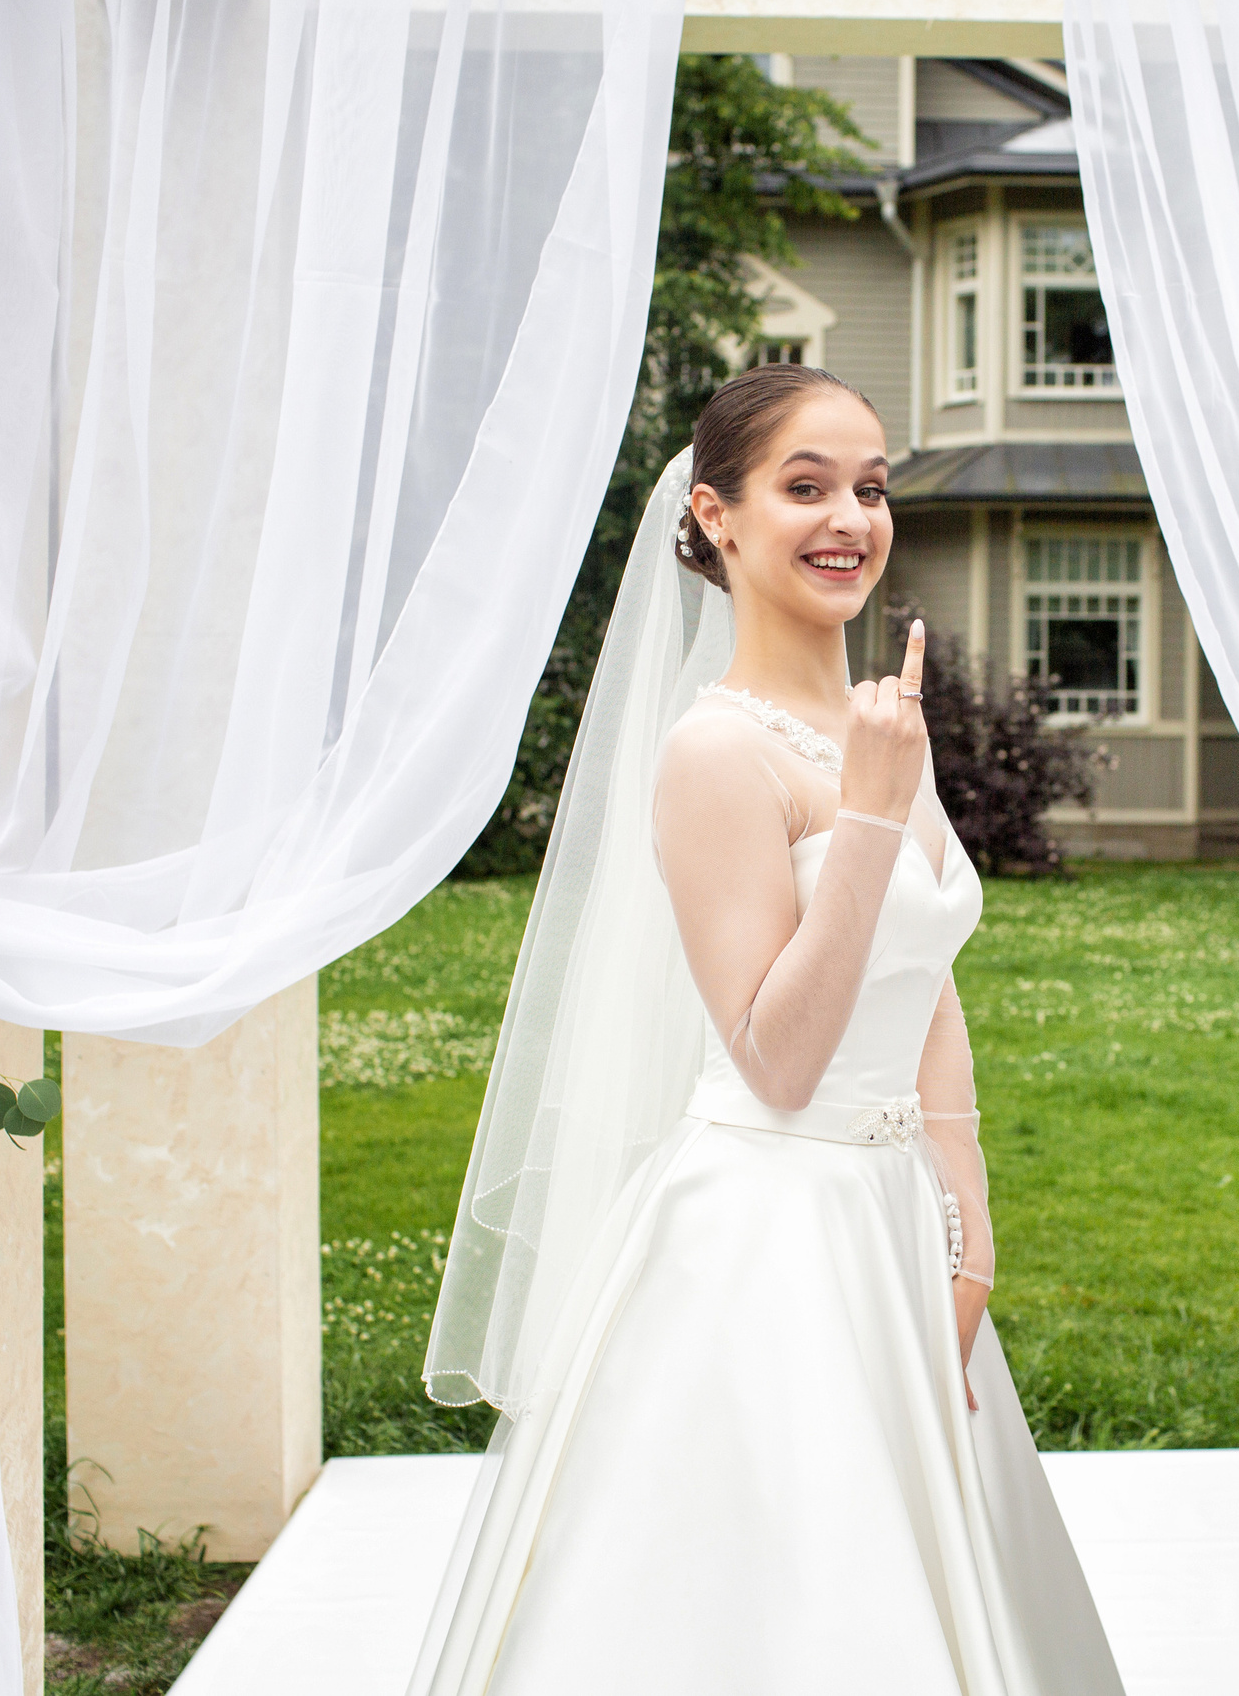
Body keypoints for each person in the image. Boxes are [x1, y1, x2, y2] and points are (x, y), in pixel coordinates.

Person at [413, 363, 1122, 1695]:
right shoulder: (714, 756)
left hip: (890, 1217)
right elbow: (777, 1055)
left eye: (870, 485)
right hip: (768, 1233)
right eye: (805, 486)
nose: (850, 515)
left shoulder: (869, 724)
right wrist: (865, 812)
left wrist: (966, 1229)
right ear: (717, 516)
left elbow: (926, 979)